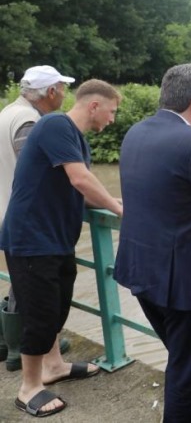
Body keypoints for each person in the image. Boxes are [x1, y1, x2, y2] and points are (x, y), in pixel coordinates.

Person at [0, 79, 123, 418]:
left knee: (56, 306)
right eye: (111, 112)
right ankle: (29, 388)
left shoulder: (75, 138)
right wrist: (121, 210)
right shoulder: (55, 124)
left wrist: (111, 199)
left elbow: (80, 187)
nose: (112, 120)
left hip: (54, 239)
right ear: (94, 106)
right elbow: (80, 179)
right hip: (31, 239)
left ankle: (53, 366)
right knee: (39, 314)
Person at [115, 63, 191, 423]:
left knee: (181, 361)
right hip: (186, 286)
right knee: (189, 374)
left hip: (141, 273)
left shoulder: (136, 132)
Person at [0, 66, 75, 371]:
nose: (65, 93)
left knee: (21, 285)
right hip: (24, 220)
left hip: (6, 212)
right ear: (51, 92)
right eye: (62, 87)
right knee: (33, 292)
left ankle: (14, 343)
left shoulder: (8, 112)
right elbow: (37, 171)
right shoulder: (30, 122)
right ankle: (22, 350)